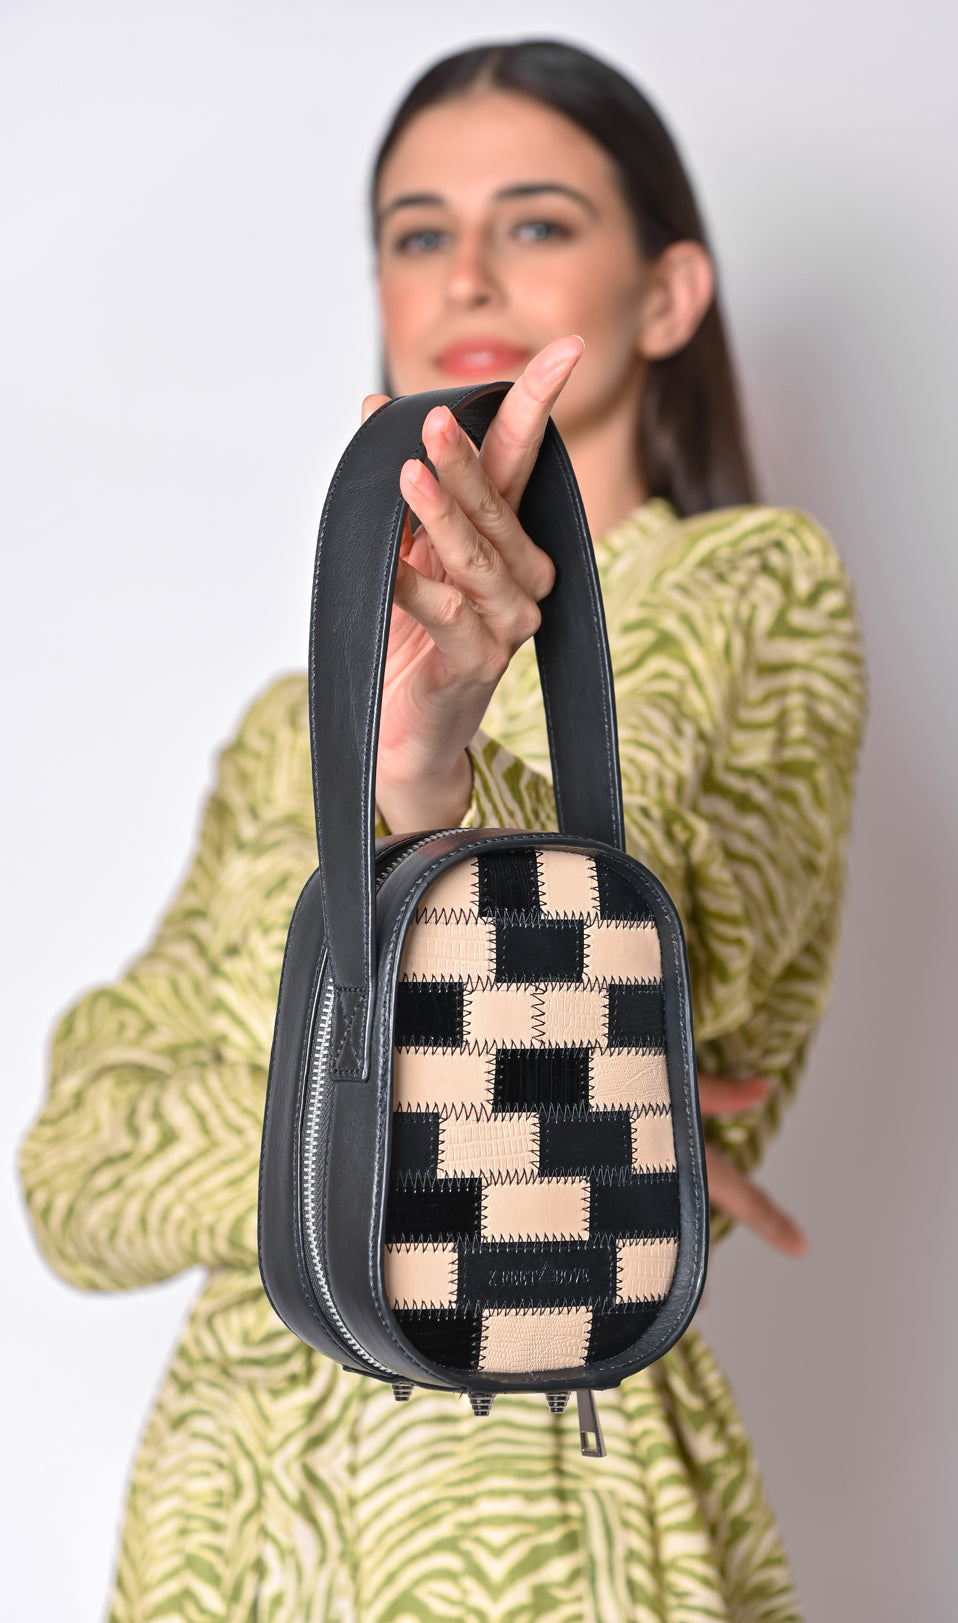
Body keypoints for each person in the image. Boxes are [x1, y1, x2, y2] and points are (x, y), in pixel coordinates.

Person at [20, 38, 865, 1623]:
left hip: (530, 1504)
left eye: (536, 221)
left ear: (669, 293)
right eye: (419, 232)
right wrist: (447, 1106)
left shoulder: (752, 589)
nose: (466, 271)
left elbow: (664, 962)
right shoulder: (288, 725)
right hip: (224, 1530)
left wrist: (429, 785)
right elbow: (70, 1175)